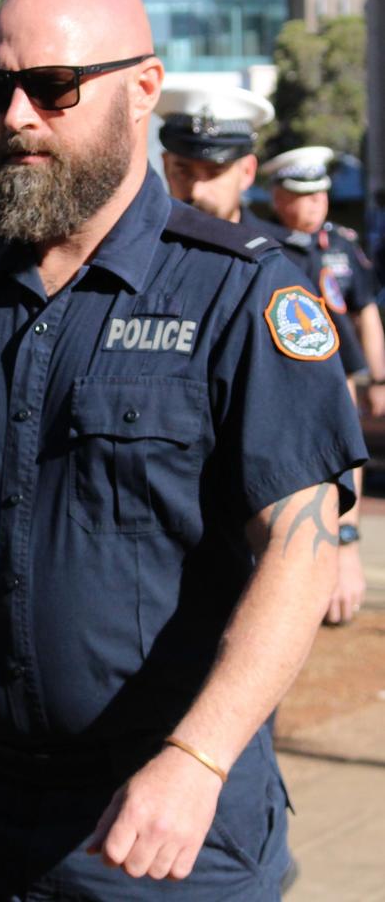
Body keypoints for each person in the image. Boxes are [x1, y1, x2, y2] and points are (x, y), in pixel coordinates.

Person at [0, 0, 367, 902]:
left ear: (143, 88)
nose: (18, 116)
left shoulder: (242, 291)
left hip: (169, 823)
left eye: (53, 87)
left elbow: (301, 548)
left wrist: (196, 759)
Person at [158, 86, 367, 626]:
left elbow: (332, 404)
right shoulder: (135, 262)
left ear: (246, 172)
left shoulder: (285, 266)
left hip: (261, 532)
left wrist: (342, 539)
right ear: (164, 163)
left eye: (212, 172)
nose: (194, 187)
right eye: (183, 168)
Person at [261, 145, 385, 419]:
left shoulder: (341, 242)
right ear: (278, 197)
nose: (318, 200)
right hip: (279, 380)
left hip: (340, 374)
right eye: (305, 193)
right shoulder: (259, 244)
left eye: (321, 192)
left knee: (348, 455)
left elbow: (365, 309)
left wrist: (379, 379)